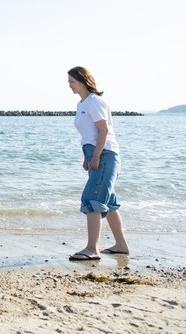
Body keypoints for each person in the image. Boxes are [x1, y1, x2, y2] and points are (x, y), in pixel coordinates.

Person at [67, 67, 130, 261]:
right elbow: (89, 134)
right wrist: (87, 157)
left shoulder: (95, 101)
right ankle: (120, 245)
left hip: (105, 155)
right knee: (108, 201)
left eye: (72, 81)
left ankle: (92, 249)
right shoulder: (82, 104)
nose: (69, 85)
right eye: (68, 81)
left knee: (92, 199)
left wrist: (96, 156)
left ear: (83, 81)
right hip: (95, 153)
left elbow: (103, 132)